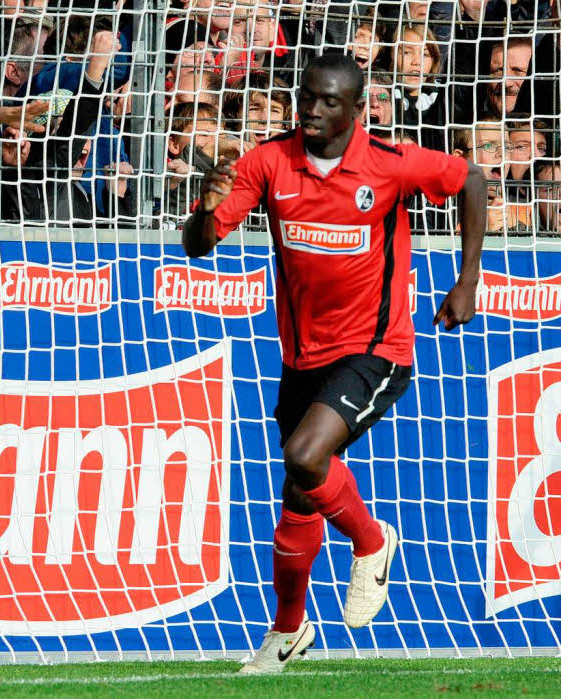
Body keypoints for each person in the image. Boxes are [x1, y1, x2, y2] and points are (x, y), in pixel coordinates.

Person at [181, 53, 487, 673]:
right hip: (302, 356)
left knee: (304, 455)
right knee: (299, 492)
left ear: (355, 108)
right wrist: (204, 209)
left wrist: (468, 279)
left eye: (327, 102)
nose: (313, 112)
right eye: (306, 99)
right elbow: (199, 245)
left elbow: (472, 179)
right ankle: (285, 634)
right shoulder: (270, 161)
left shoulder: (391, 164)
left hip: (377, 350)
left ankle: (372, 542)